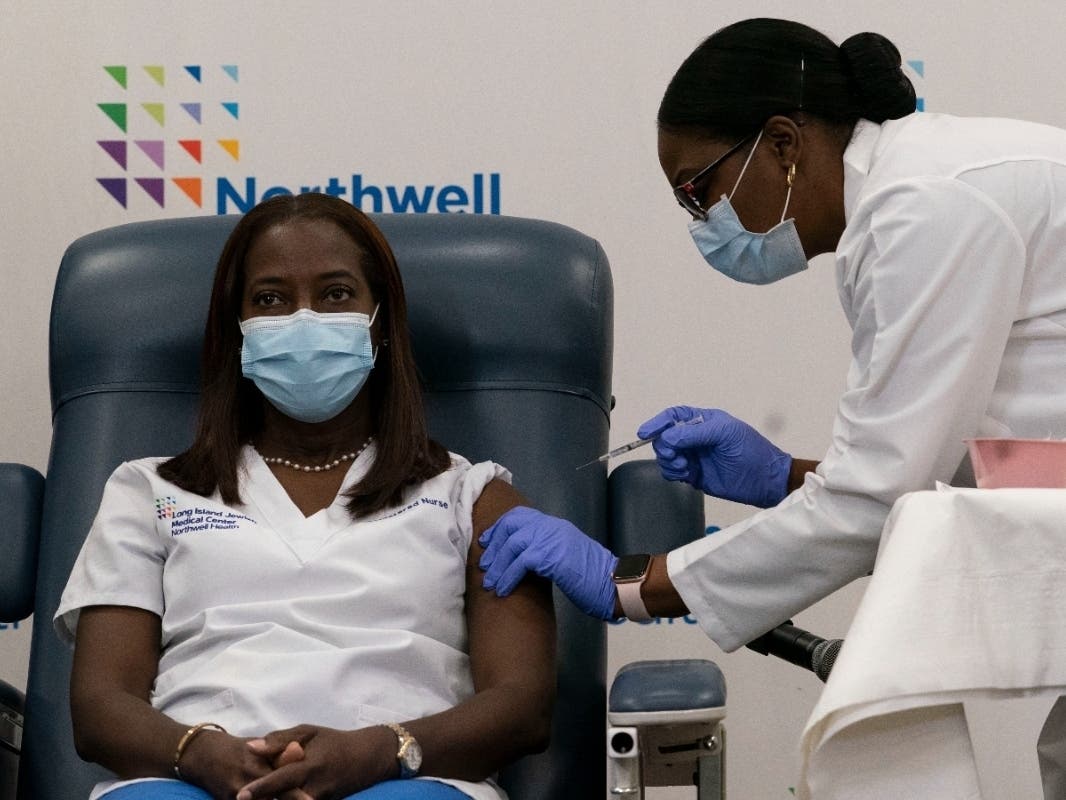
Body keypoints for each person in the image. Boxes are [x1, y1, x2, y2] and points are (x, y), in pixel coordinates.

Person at [479, 17, 1066, 653]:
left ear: (783, 143)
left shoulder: (922, 209)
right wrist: (784, 476)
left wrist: (630, 584)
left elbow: (878, 501)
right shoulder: (914, 195)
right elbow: (937, 481)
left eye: (698, 191)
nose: (703, 222)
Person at [54, 193, 555, 800]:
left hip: (405, 781)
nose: (303, 319)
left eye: (336, 294)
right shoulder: (148, 492)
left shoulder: (473, 496)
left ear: (380, 322)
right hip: (195, 782)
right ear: (237, 330)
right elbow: (100, 705)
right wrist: (202, 753)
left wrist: (379, 751)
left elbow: (522, 706)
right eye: (270, 299)